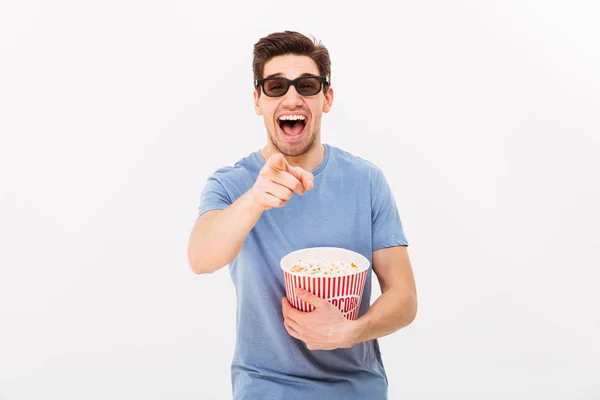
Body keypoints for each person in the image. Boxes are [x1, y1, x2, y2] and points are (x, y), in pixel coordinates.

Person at [188, 30, 418, 400]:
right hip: (265, 387)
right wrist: (254, 200)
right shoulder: (231, 185)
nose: (292, 97)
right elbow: (200, 259)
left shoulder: (366, 181)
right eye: (276, 86)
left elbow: (404, 297)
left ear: (326, 98)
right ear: (257, 100)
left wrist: (351, 331)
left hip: (356, 388)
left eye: (306, 85)